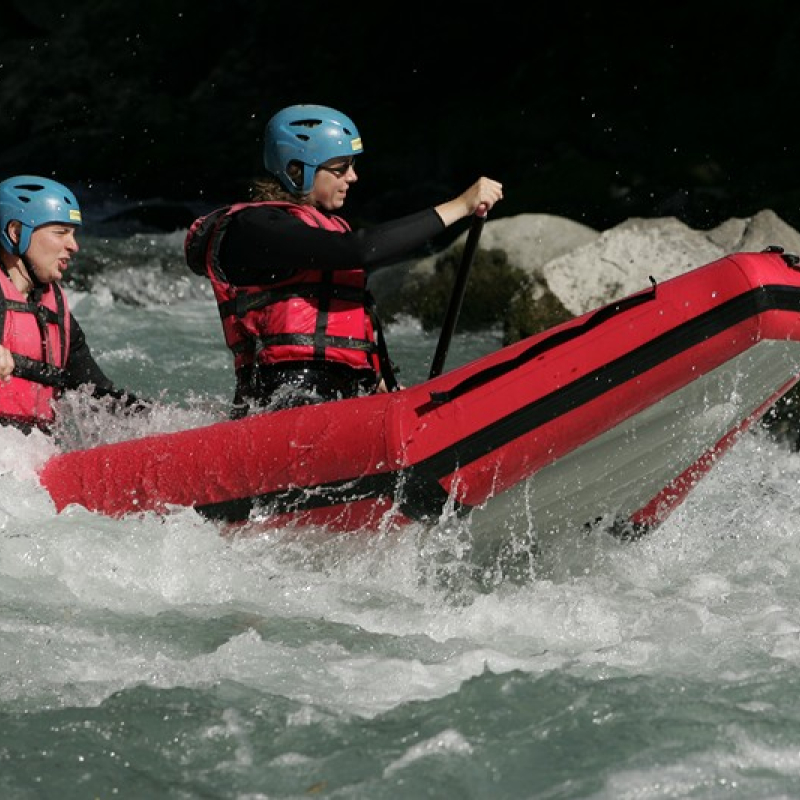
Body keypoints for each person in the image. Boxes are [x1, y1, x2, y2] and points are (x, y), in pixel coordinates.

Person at [185, 103, 503, 416]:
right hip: (283, 400)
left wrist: (382, 386)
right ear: (298, 170)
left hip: (343, 396)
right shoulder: (253, 229)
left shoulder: (326, 230)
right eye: (341, 167)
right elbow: (359, 251)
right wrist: (461, 206)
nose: (353, 177)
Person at [0, 174, 146, 435]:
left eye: (73, 234)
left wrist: (157, 421)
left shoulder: (55, 309)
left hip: (31, 454)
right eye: (60, 233)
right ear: (16, 231)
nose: (74, 245)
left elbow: (100, 394)